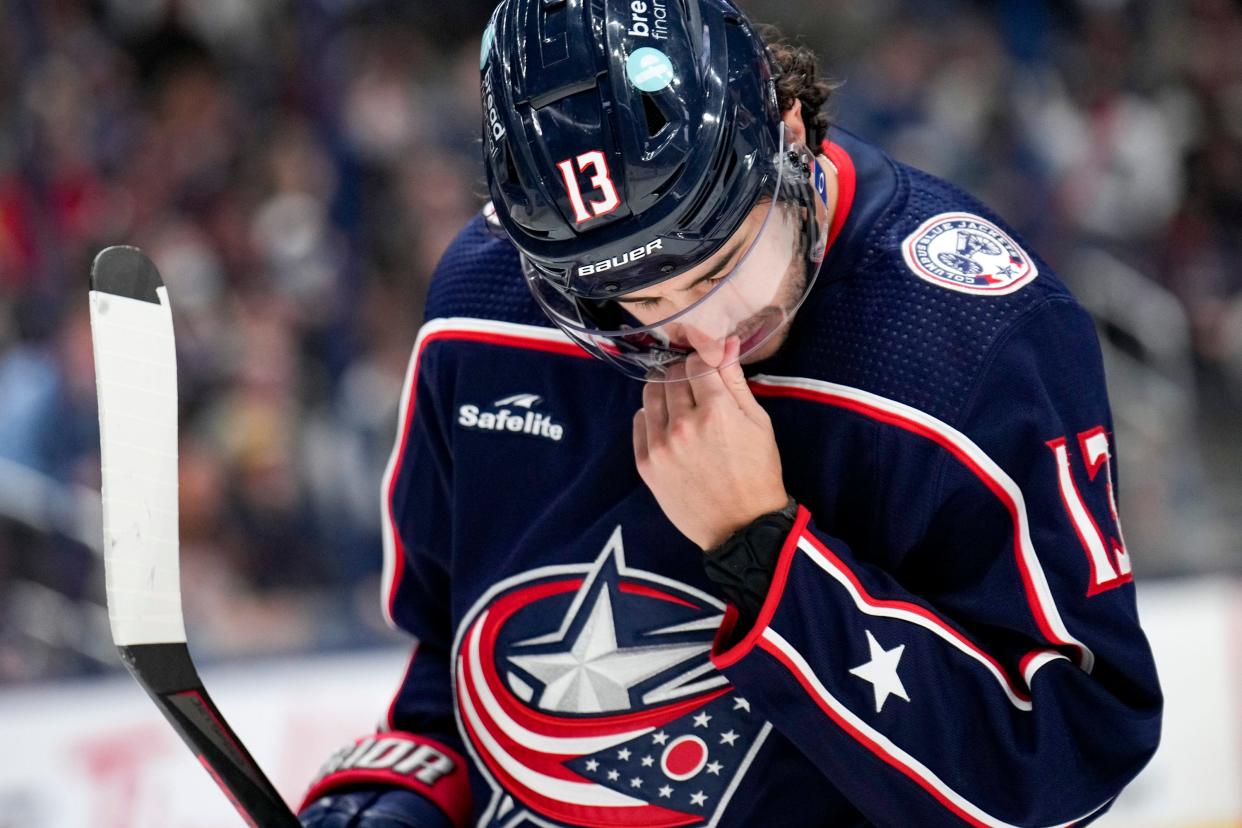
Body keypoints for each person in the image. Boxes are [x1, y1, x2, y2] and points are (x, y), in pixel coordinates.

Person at [298, 0, 1162, 825]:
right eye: (631, 300)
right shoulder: (482, 302)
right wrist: (394, 800)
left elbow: (1071, 752)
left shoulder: (973, 338)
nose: (703, 340)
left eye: (717, 269)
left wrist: (762, 548)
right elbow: (451, 670)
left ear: (788, 134)